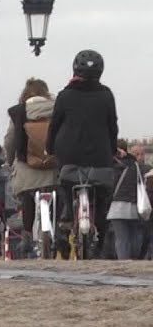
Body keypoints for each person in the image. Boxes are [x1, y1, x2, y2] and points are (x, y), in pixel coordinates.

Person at [46, 50, 119, 254]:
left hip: (69, 154)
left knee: (65, 185)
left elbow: (55, 125)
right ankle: (101, 237)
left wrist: (49, 147)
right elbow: (112, 126)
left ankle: (68, 213)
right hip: (100, 155)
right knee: (103, 197)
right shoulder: (106, 95)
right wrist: (112, 149)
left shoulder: (65, 95)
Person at [4, 78, 59, 257]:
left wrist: (9, 159)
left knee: (28, 198)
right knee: (58, 197)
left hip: (27, 167)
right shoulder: (56, 109)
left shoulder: (20, 112)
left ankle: (27, 235)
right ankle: (60, 229)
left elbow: (11, 140)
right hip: (53, 165)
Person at [108, 140, 148, 260]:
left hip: (116, 207)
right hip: (133, 206)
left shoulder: (113, 167)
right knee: (135, 235)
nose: (141, 157)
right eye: (138, 154)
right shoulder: (141, 168)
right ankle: (134, 260)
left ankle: (123, 261)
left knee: (121, 238)